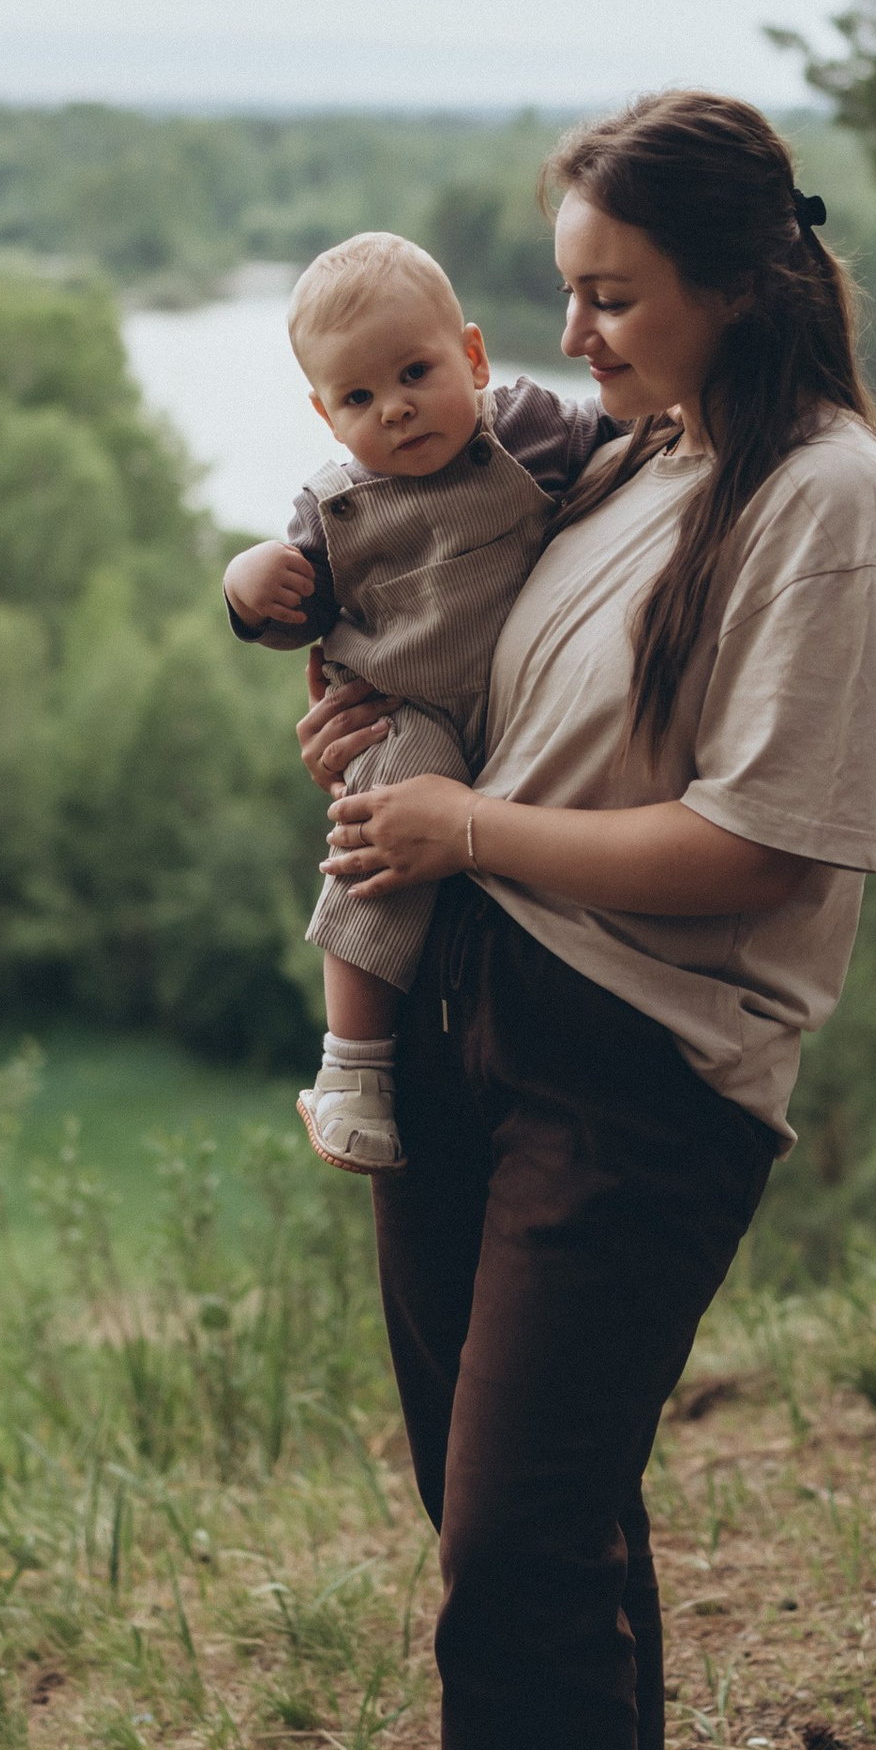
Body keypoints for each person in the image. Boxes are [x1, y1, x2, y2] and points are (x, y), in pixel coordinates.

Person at [295, 91, 876, 1750]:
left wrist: (465, 833)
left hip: (643, 1065)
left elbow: (762, 840)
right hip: (477, 1014)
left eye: (612, 293)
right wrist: (381, 720)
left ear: (736, 280)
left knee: (515, 1541)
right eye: (560, 290)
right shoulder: (639, 451)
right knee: (499, 1501)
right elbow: (489, 656)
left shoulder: (821, 499)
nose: (574, 329)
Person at [221, 233, 619, 1175]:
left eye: (416, 373)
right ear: (325, 415)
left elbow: (628, 443)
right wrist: (248, 587)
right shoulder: (336, 510)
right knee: (379, 841)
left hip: (528, 709)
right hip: (409, 711)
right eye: (359, 398)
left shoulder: (526, 432)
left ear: (473, 358)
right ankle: (352, 1066)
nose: (394, 410)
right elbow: (293, 618)